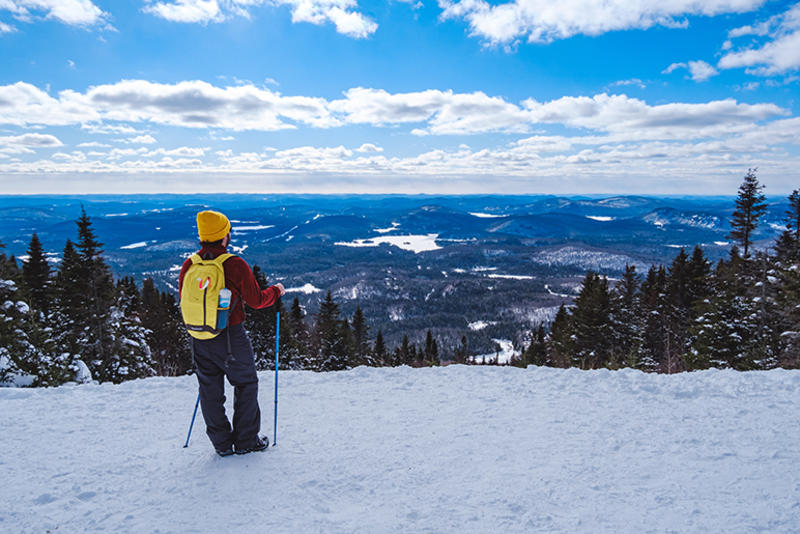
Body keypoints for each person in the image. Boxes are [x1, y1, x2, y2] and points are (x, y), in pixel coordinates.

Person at [179, 210, 285, 456]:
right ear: (224, 235)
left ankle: (222, 444)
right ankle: (246, 440)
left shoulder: (190, 264)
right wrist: (276, 291)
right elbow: (257, 300)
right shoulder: (234, 265)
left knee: (209, 389)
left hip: (198, 336)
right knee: (246, 383)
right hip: (230, 336)